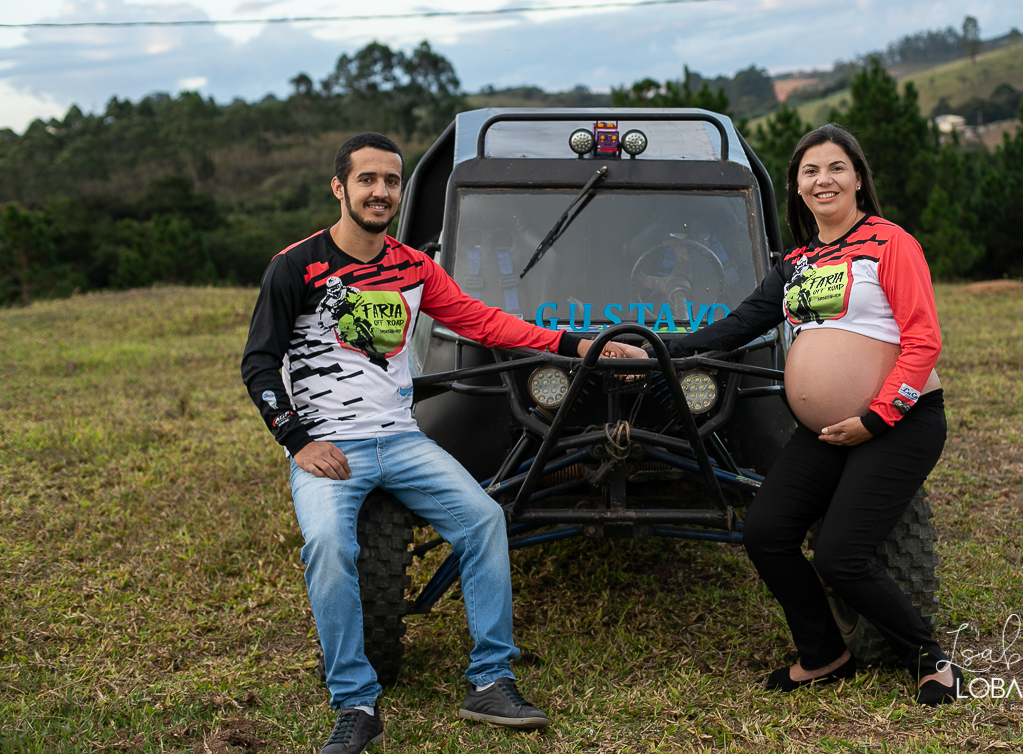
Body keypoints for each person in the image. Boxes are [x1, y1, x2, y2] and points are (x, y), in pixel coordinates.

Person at [241, 132, 640, 754]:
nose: (380, 192)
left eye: (391, 181)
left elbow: (484, 321)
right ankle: (355, 702)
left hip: (402, 440)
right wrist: (297, 441)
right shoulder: (297, 266)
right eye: (367, 179)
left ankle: (491, 680)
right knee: (328, 546)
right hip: (329, 444)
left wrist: (578, 345)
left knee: (483, 520)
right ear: (339, 187)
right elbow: (260, 365)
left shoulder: (414, 267)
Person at [659, 124, 962, 705]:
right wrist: (660, 350)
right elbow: (738, 325)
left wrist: (874, 419)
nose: (824, 180)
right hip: (824, 431)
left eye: (836, 167)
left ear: (858, 179)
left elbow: (923, 341)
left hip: (897, 423)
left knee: (840, 556)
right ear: (797, 187)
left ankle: (928, 657)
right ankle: (824, 653)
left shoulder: (891, 242)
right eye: (810, 171)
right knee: (765, 533)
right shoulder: (796, 262)